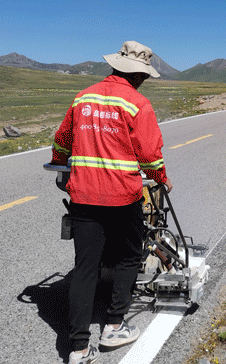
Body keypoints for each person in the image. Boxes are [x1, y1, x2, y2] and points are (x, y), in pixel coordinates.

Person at [51, 41, 173, 364]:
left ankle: (77, 348)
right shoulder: (137, 104)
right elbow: (149, 155)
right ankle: (114, 325)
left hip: (84, 196)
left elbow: (62, 138)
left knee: (84, 268)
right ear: (139, 76)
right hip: (121, 198)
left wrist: (60, 161)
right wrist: (161, 177)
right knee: (130, 255)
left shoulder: (84, 97)